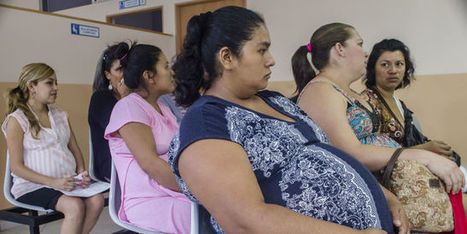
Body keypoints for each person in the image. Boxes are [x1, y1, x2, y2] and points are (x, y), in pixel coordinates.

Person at [168, 6, 404, 234]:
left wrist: (385, 197)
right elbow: (245, 221)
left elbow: (330, 156)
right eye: (261, 50)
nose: (271, 60)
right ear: (227, 57)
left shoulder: (274, 100)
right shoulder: (208, 122)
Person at [292, 23, 465, 231]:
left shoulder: (344, 91)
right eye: (360, 44)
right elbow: (349, 154)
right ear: (340, 49)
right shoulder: (321, 91)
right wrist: (425, 157)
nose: (366, 53)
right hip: (364, 195)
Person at [2, 63, 104, 234]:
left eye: (56, 83)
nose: (56, 88)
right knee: (75, 206)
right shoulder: (17, 120)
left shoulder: (61, 115)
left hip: (65, 182)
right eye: (49, 83)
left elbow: (75, 149)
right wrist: (52, 182)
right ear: (31, 86)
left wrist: (81, 172)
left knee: (97, 200)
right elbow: (17, 167)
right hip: (32, 185)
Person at [104, 44, 190, 233]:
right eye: (166, 66)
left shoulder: (163, 109)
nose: (172, 72)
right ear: (148, 76)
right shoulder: (129, 107)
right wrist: (195, 189)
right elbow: (150, 164)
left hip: (172, 190)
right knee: (213, 216)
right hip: (149, 199)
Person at [89, 42, 184, 182]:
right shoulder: (109, 101)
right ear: (107, 75)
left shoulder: (159, 105)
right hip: (117, 166)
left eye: (127, 69)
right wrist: (126, 97)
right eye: (120, 69)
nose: (125, 74)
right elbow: (125, 130)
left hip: (159, 171)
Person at [362, 38, 456, 160]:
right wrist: (425, 149)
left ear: (406, 68)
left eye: (399, 64)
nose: (393, 70)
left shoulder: (399, 104)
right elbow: (372, 154)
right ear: (373, 68)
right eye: (385, 64)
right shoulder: (367, 103)